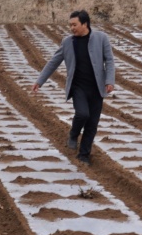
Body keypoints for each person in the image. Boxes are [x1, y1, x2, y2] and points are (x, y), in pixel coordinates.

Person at [29, 9, 115, 165]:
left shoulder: (101, 38)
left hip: (96, 88)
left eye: (74, 25)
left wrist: (109, 81)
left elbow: (109, 60)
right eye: (70, 25)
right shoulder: (68, 42)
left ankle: (84, 155)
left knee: (92, 125)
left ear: (85, 24)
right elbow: (54, 61)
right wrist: (39, 81)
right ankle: (74, 134)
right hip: (78, 87)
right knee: (82, 114)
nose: (72, 28)